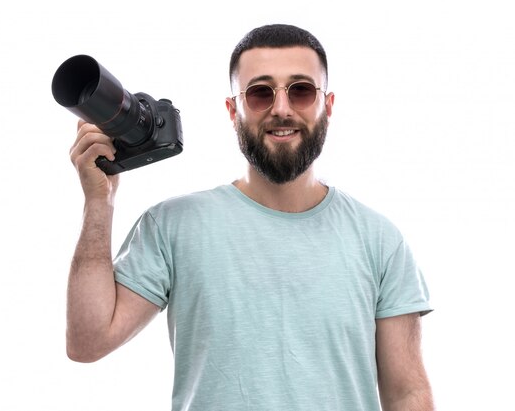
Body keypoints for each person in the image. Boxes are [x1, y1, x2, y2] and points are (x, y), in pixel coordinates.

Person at [66, 23, 435, 411]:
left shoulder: (378, 240)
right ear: (233, 110)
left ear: (327, 105)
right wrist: (99, 202)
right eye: (260, 93)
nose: (281, 108)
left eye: (301, 90)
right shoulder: (174, 225)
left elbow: (407, 392)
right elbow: (88, 342)